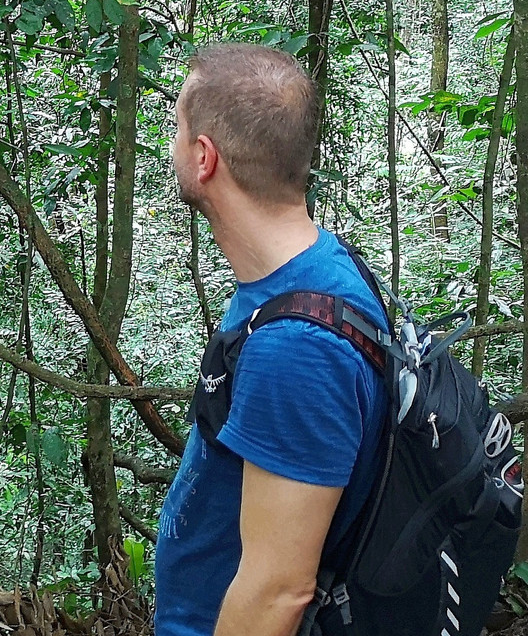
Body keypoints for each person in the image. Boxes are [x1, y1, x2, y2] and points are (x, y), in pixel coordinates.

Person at [154, 44, 389, 636]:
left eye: (176, 128)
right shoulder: (307, 271)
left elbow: (278, 592)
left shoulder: (299, 347)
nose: (171, 145)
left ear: (204, 158)